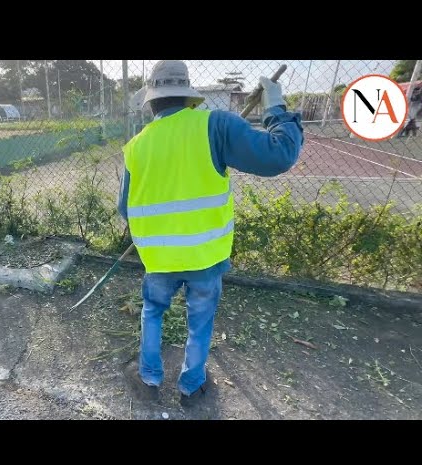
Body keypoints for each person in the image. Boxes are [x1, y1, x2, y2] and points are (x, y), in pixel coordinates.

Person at [117, 60, 304, 407]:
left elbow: (124, 209)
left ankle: (149, 377)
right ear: (188, 96)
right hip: (205, 257)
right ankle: (192, 386)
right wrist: (275, 105)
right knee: (199, 321)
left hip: (157, 260)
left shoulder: (136, 146)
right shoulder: (215, 125)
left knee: (152, 312)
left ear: (152, 101)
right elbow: (279, 155)